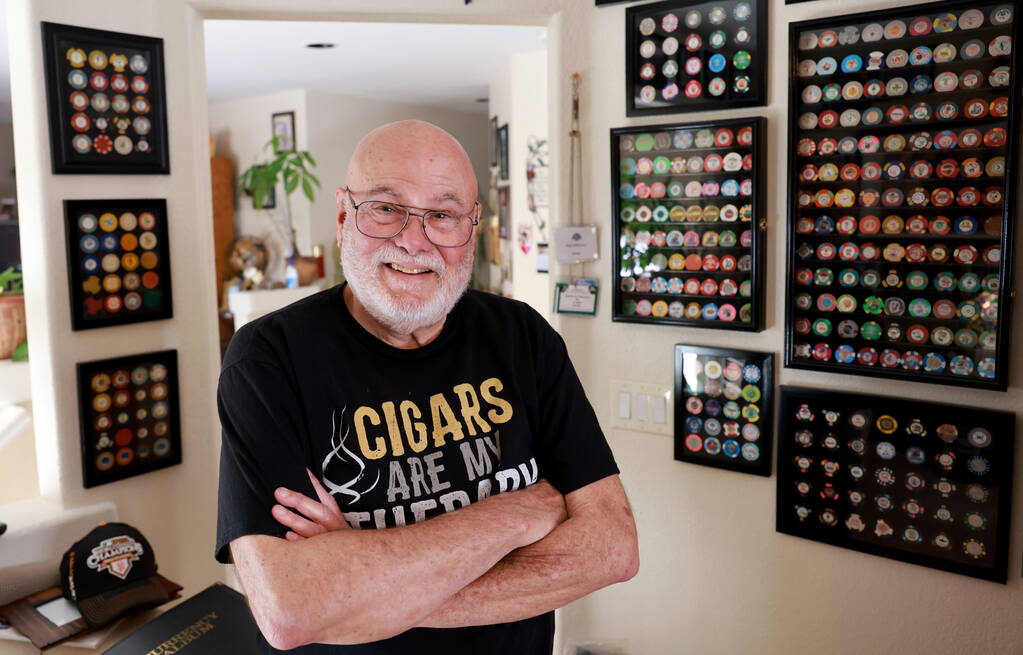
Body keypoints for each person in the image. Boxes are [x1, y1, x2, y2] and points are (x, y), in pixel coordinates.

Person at [215, 120, 639, 654]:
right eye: (387, 208)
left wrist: (364, 582)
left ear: (472, 226)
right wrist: (515, 514)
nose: (414, 241)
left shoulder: (522, 338)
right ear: (345, 214)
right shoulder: (268, 360)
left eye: (442, 214)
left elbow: (612, 549)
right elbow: (292, 611)